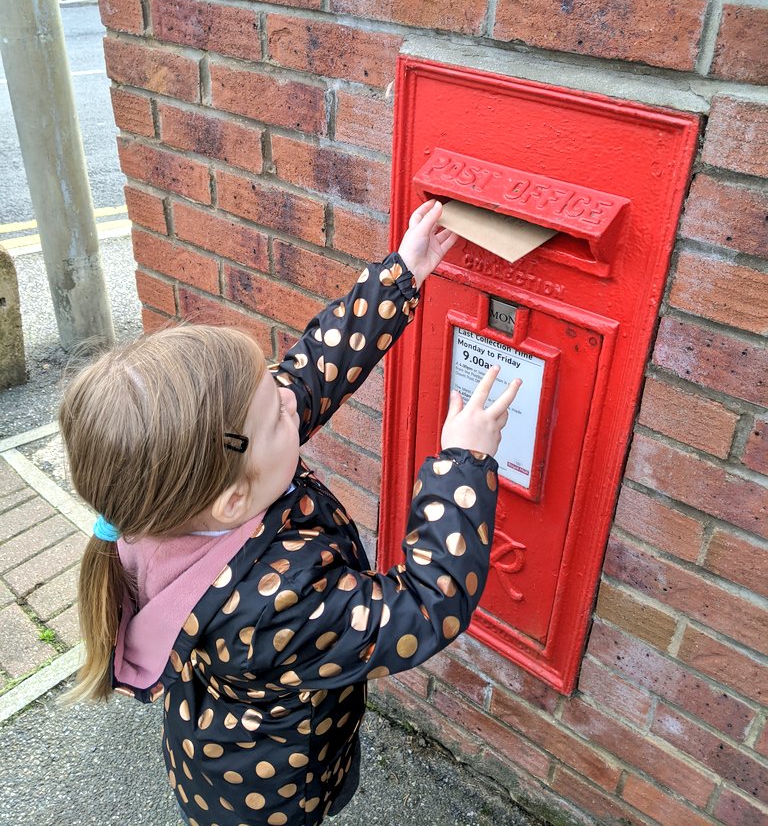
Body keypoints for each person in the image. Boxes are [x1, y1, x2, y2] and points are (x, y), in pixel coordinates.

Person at [60, 199, 521, 826]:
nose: (288, 396)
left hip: (215, 750)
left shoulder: (181, 492)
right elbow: (425, 606)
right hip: (271, 795)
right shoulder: (274, 603)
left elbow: (309, 375)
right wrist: (463, 465)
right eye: (276, 409)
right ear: (233, 501)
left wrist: (400, 275)